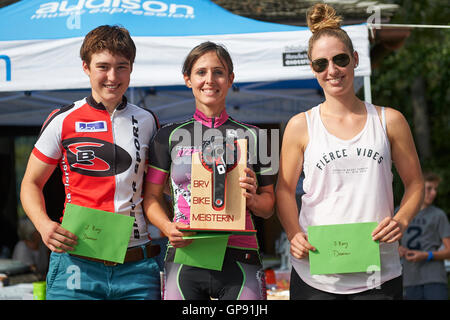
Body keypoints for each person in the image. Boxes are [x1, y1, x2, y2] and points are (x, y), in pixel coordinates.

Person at [275, 3, 424, 300]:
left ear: (355, 59)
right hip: (315, 274)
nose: (332, 70)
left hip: (379, 274)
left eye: (340, 59)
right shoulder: (300, 126)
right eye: (321, 64)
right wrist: (294, 234)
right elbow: (284, 190)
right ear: (312, 68)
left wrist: (402, 220)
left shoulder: (389, 120)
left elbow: (416, 184)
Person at [20, 25, 161, 300]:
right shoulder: (62, 119)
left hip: (137, 266)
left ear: (131, 69)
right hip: (76, 261)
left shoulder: (148, 121)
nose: (112, 76)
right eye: (103, 66)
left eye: (121, 67)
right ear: (86, 67)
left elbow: (160, 186)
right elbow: (30, 182)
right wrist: (43, 224)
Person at [143, 41, 276, 300]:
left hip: (240, 255)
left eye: (218, 72)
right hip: (186, 252)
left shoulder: (259, 137)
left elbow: (269, 207)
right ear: (187, 80)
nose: (209, 80)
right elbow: (150, 198)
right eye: (201, 72)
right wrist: (167, 227)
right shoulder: (166, 136)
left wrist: (253, 198)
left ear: (230, 79)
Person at [399, 172, 450, 300]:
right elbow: (388, 245)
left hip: (434, 279)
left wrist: (427, 255)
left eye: (435, 189)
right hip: (408, 280)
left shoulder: (439, 215)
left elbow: (449, 251)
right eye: (429, 188)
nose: (433, 193)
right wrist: (397, 249)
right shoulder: (400, 212)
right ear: (419, 188)